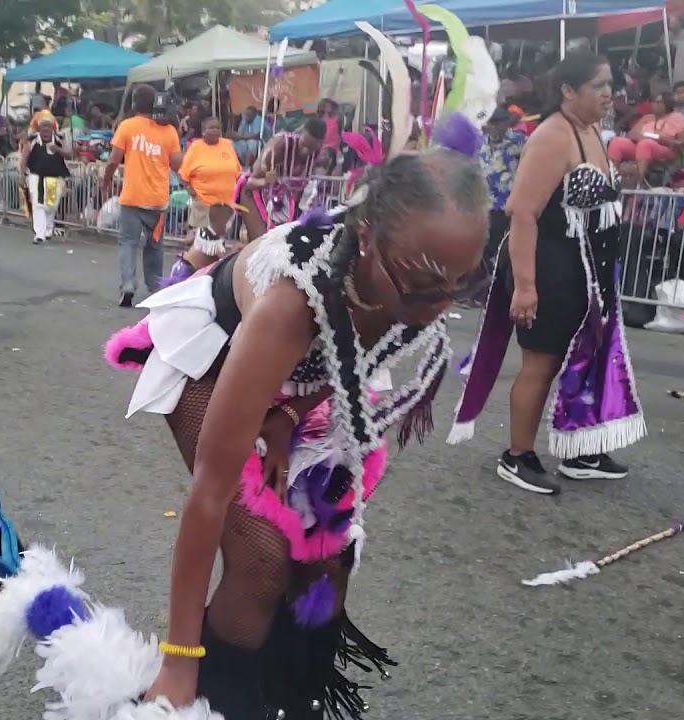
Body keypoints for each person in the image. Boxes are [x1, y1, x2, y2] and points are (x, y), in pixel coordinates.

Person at [102, 114, 490, 719]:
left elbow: (352, 354)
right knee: (262, 561)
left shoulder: (413, 276)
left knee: (329, 556)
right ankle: (215, 698)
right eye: (422, 289)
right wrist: (179, 661)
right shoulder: (291, 305)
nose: (437, 308)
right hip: (212, 352)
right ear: (366, 239)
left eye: (462, 286)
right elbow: (209, 491)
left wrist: (286, 416)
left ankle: (292, 699)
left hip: (291, 373)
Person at [450, 52, 645, 495]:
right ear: (568, 91)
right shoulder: (551, 138)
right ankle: (517, 455)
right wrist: (524, 286)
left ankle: (580, 449)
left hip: (591, 273)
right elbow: (522, 214)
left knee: (588, 357)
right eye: (597, 85)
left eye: (609, 83)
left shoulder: (591, 130)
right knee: (543, 361)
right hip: (549, 267)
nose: (608, 92)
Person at [101, 84, 182, 307]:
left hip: (131, 198)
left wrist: (106, 180)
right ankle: (155, 287)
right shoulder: (169, 131)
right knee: (155, 246)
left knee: (128, 242)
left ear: (135, 103)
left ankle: (128, 284)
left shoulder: (127, 127)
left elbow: (113, 159)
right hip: (158, 201)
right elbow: (177, 164)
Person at [168, 116, 241, 279]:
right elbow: (183, 175)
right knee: (200, 244)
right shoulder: (196, 148)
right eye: (211, 128)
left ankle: (211, 276)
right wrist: (191, 191)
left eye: (217, 127)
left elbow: (236, 170)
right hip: (204, 205)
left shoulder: (227, 145)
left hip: (225, 208)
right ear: (203, 131)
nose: (215, 130)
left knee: (217, 246)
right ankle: (187, 274)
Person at [235, 117, 327, 242]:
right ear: (300, 133)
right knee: (263, 242)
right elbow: (251, 182)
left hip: (283, 204)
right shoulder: (280, 145)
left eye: (312, 148)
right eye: (304, 145)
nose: (306, 151)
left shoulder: (316, 154)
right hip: (253, 193)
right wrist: (266, 182)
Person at [479, 107, 524, 278]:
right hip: (484, 202)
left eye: (498, 123)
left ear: (506, 123)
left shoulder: (518, 141)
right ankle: (484, 282)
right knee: (483, 245)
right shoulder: (481, 142)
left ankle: (495, 281)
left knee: (498, 245)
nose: (494, 127)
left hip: (506, 202)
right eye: (491, 123)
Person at [607, 91, 684, 179]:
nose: (653, 104)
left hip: (666, 150)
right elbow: (631, 134)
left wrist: (659, 139)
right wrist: (650, 137)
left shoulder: (677, 117)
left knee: (645, 144)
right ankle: (612, 179)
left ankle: (638, 182)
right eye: (653, 101)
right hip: (640, 147)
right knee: (616, 142)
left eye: (658, 102)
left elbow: (683, 141)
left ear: (667, 104)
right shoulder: (648, 117)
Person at [19, 116, 71, 245]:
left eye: (49, 126)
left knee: (51, 205)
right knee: (38, 204)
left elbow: (69, 154)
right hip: (36, 177)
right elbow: (24, 158)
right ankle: (39, 234)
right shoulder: (32, 141)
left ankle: (48, 229)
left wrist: (57, 149)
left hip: (54, 178)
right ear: (39, 128)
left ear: (52, 128)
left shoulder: (59, 140)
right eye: (44, 126)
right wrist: (21, 174)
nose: (46, 129)